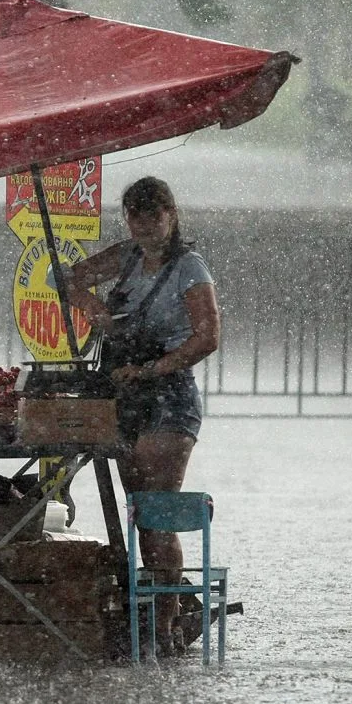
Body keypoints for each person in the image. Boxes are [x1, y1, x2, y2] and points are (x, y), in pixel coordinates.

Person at [62, 176, 220, 656]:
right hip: (125, 396)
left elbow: (207, 336)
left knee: (155, 513)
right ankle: (150, 606)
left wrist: (153, 368)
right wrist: (95, 311)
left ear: (171, 215)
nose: (145, 226)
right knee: (136, 511)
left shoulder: (190, 268)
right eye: (135, 216)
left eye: (154, 215)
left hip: (168, 398)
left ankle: (165, 623)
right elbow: (65, 278)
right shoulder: (126, 258)